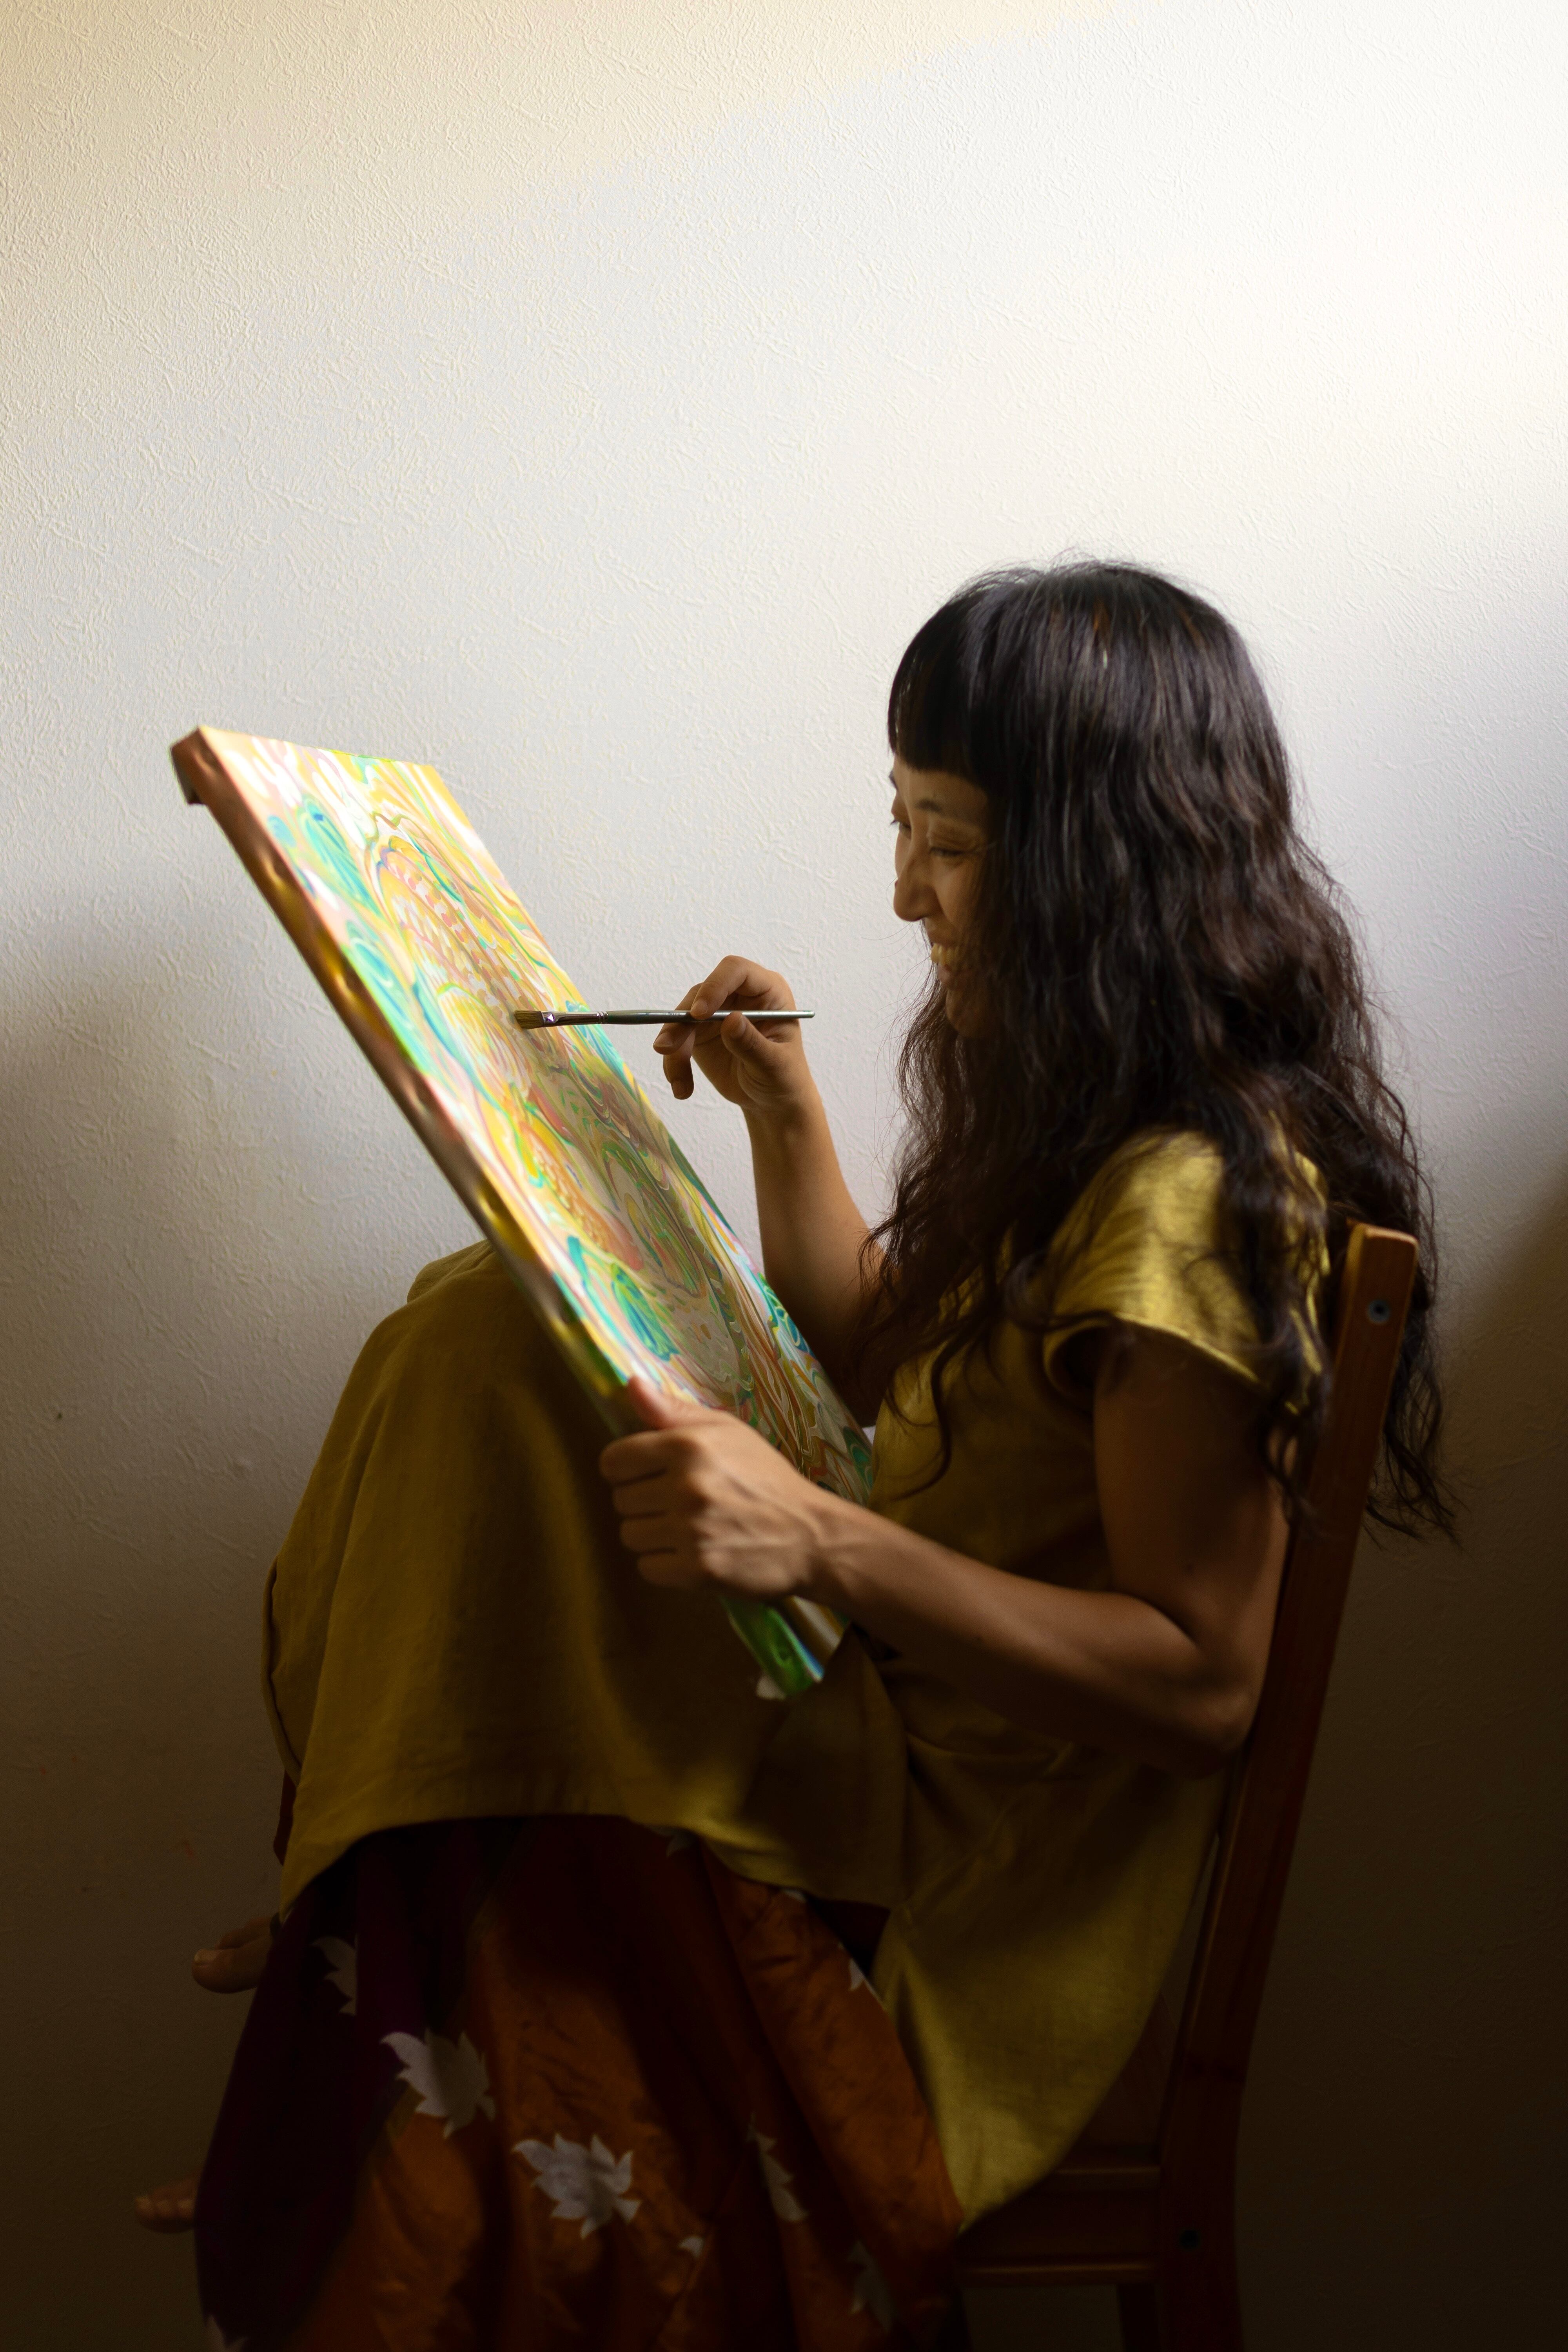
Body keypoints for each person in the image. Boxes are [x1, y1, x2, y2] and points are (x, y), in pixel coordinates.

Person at [137, 564, 1449, 2349]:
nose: (904, 892)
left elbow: (1202, 1684)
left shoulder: (1190, 1195)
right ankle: (371, 1901)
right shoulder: (1096, 1126)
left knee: (486, 1361)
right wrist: (787, 1115)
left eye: (949, 844)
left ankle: (365, 1942)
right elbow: (883, 1361)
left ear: (1104, 868)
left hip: (948, 1892)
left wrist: (825, 1546)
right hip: (868, 1756)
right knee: (487, 1329)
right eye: (899, 825)